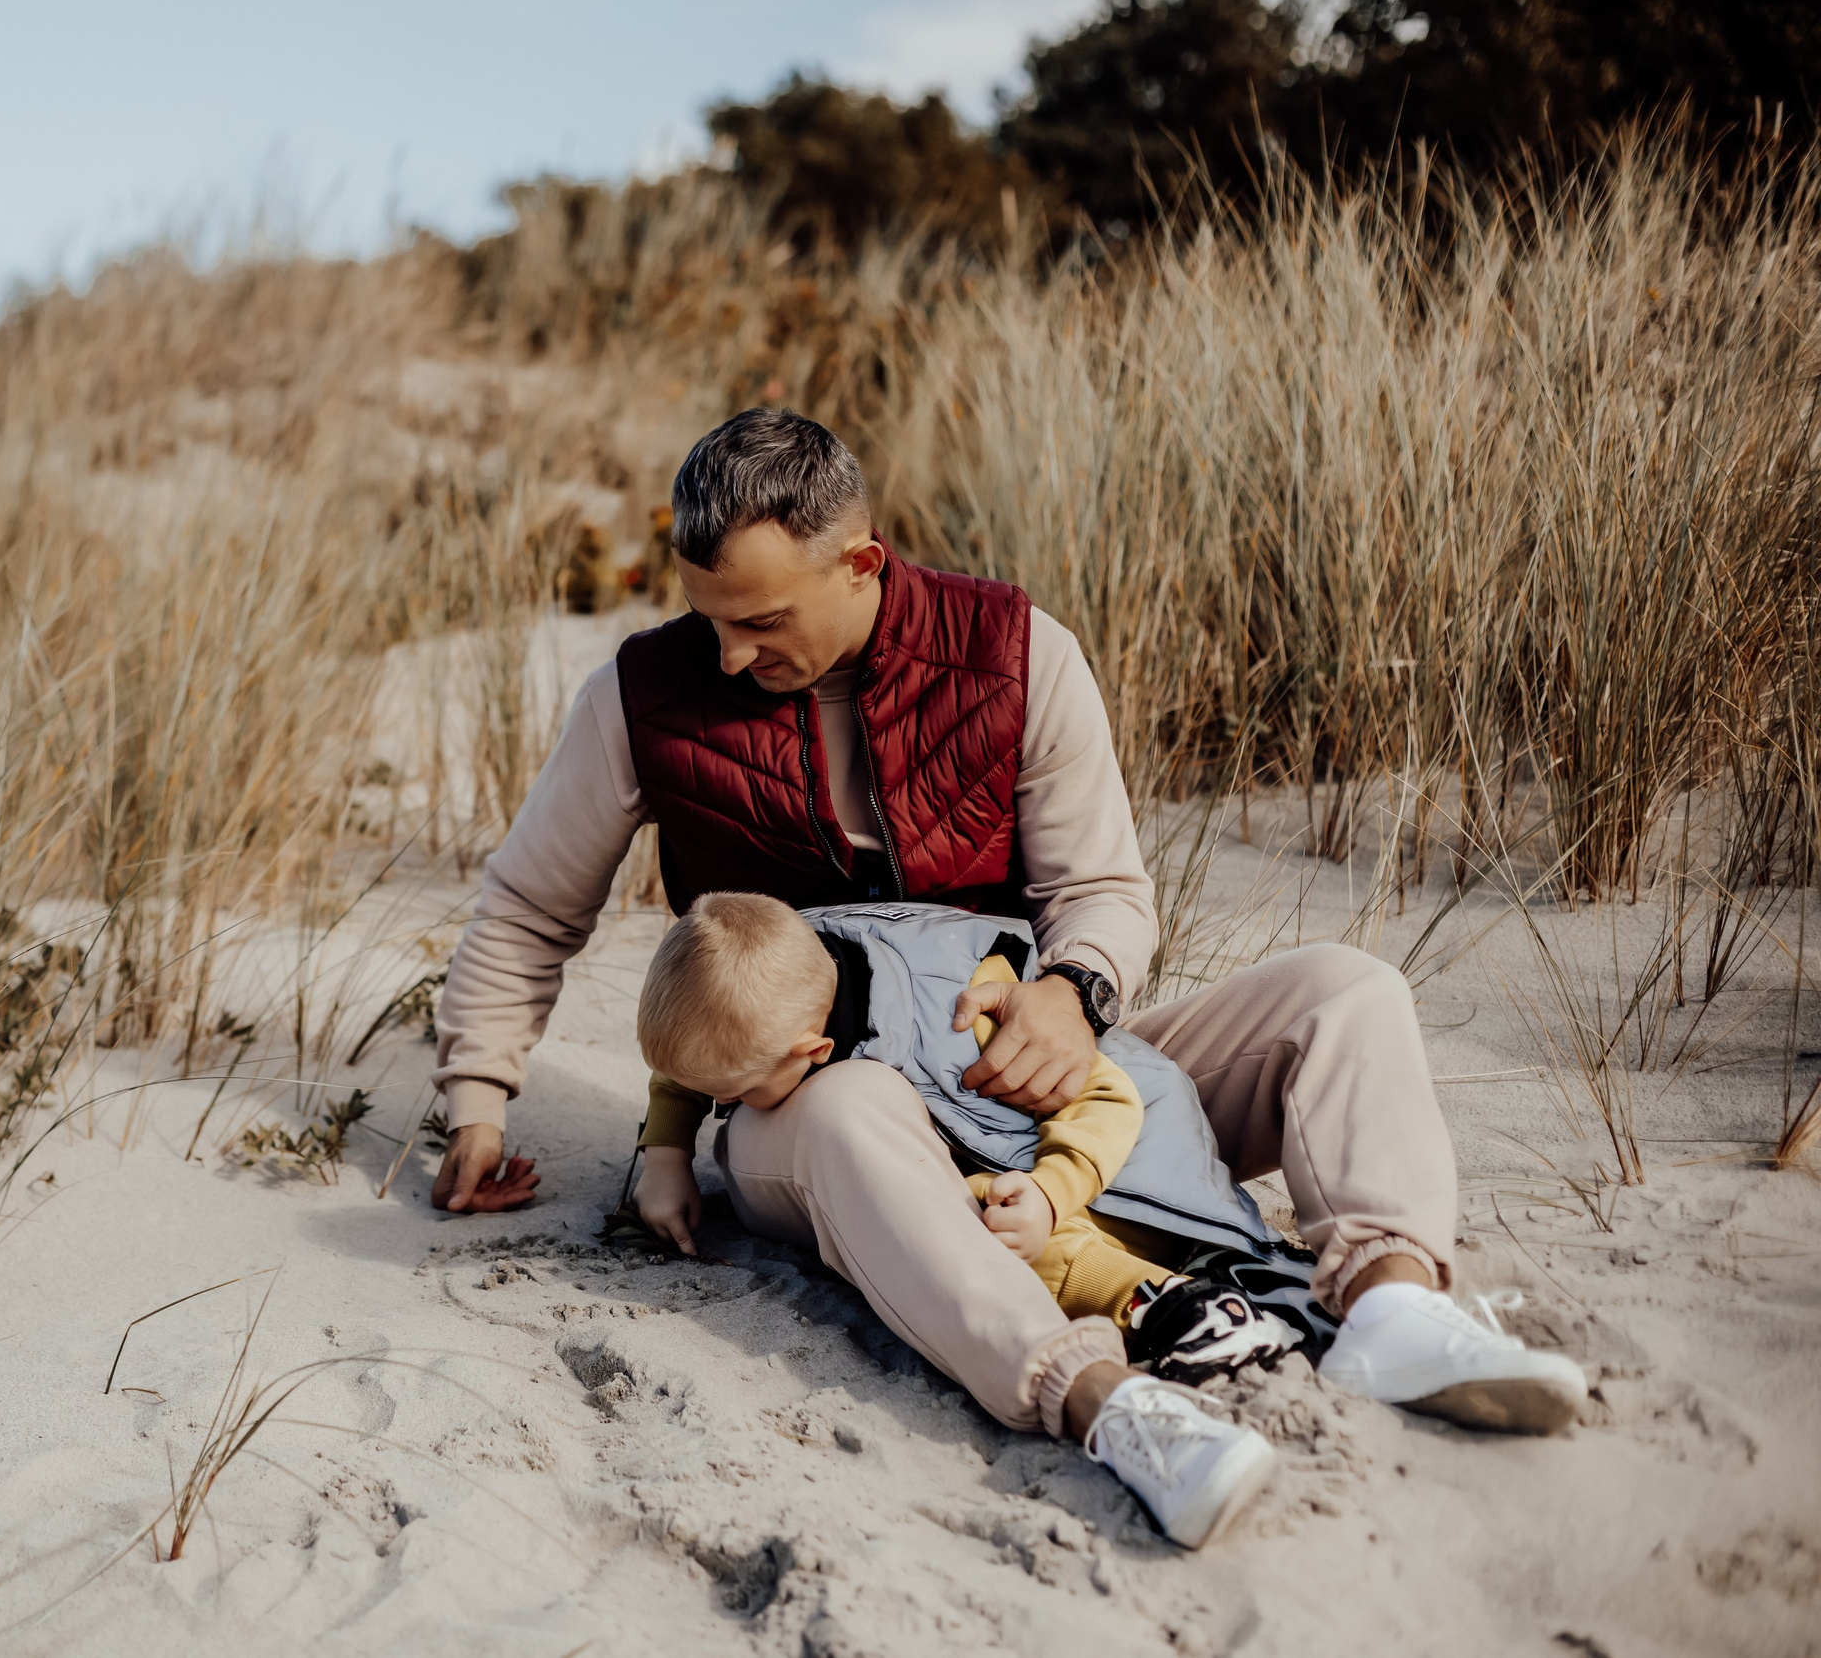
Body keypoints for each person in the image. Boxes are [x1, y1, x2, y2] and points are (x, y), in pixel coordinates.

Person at [426, 409, 1587, 1533]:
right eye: (710, 618)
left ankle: (1390, 1303)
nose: (729, 653)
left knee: (1346, 990)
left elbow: (1102, 893)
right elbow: (530, 905)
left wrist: (1070, 997)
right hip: (813, 1110)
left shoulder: (1017, 652)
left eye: (763, 620)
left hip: (1024, 1068)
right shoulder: (642, 695)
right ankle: (1107, 1405)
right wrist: (478, 1096)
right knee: (849, 1106)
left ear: (862, 562)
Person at [631, 891, 1308, 1391]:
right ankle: (1214, 1286)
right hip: (1044, 1174)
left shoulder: (968, 1011)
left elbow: (1110, 1099)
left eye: (738, 1096)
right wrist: (665, 1151)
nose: (731, 1110)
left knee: (985, 1204)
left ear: (815, 1049)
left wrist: (1048, 1193)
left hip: (1119, 1179)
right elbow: (695, 1063)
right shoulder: (773, 986)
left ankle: (1166, 1299)